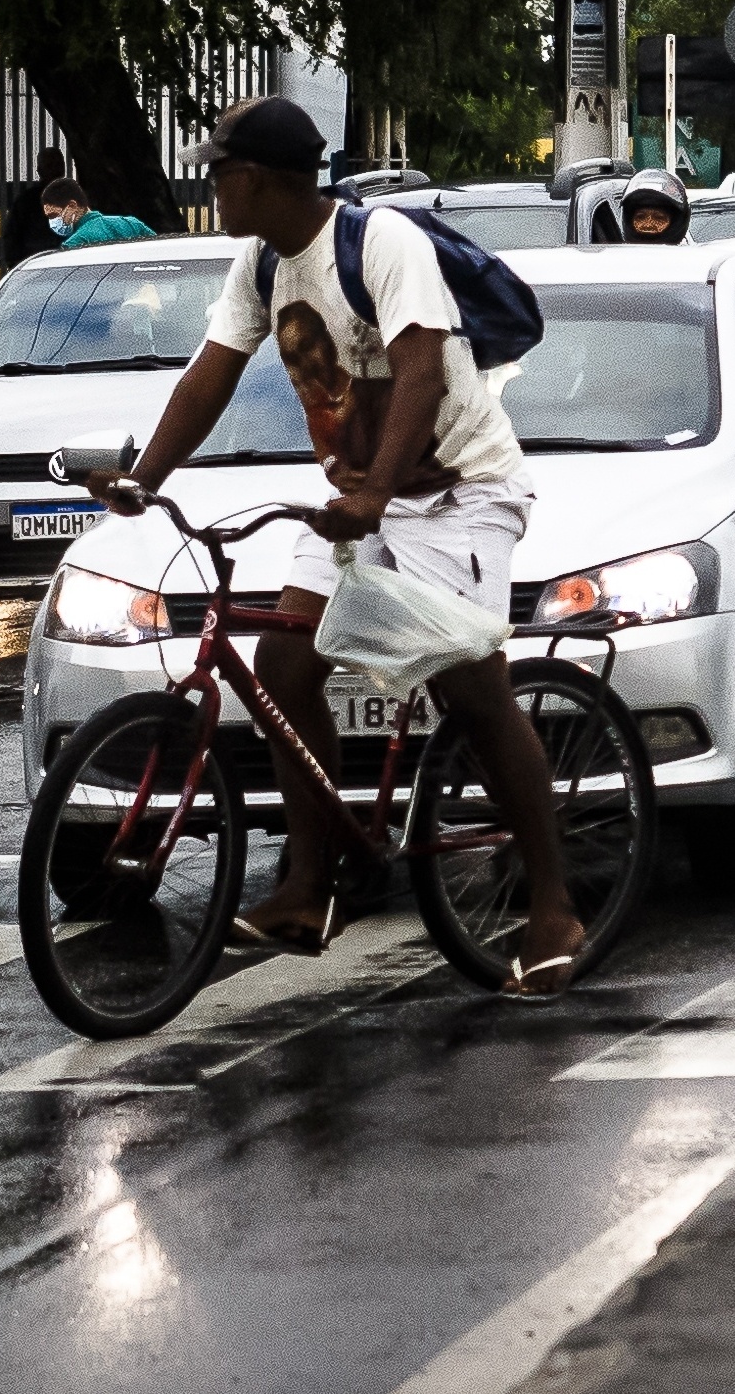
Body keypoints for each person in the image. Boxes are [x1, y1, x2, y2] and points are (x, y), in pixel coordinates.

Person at [83, 97, 583, 992]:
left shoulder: (383, 243)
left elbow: (423, 366)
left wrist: (382, 491)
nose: (211, 189)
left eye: (220, 173)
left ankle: (552, 903)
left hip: (459, 494)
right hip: (361, 498)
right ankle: (308, 889)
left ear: (265, 180)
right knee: (283, 664)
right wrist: (144, 478)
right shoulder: (258, 266)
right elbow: (210, 378)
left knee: (472, 692)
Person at [1, 144, 68, 275]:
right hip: (37, 270)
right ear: (40, 171)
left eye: (57, 166)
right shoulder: (26, 202)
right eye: (50, 166)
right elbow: (11, 240)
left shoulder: (75, 199)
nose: (54, 171)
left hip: (66, 269)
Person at [42, 179, 158, 248]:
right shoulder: (132, 224)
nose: (52, 221)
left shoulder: (75, 244)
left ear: (72, 206)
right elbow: (160, 251)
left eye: (53, 215)